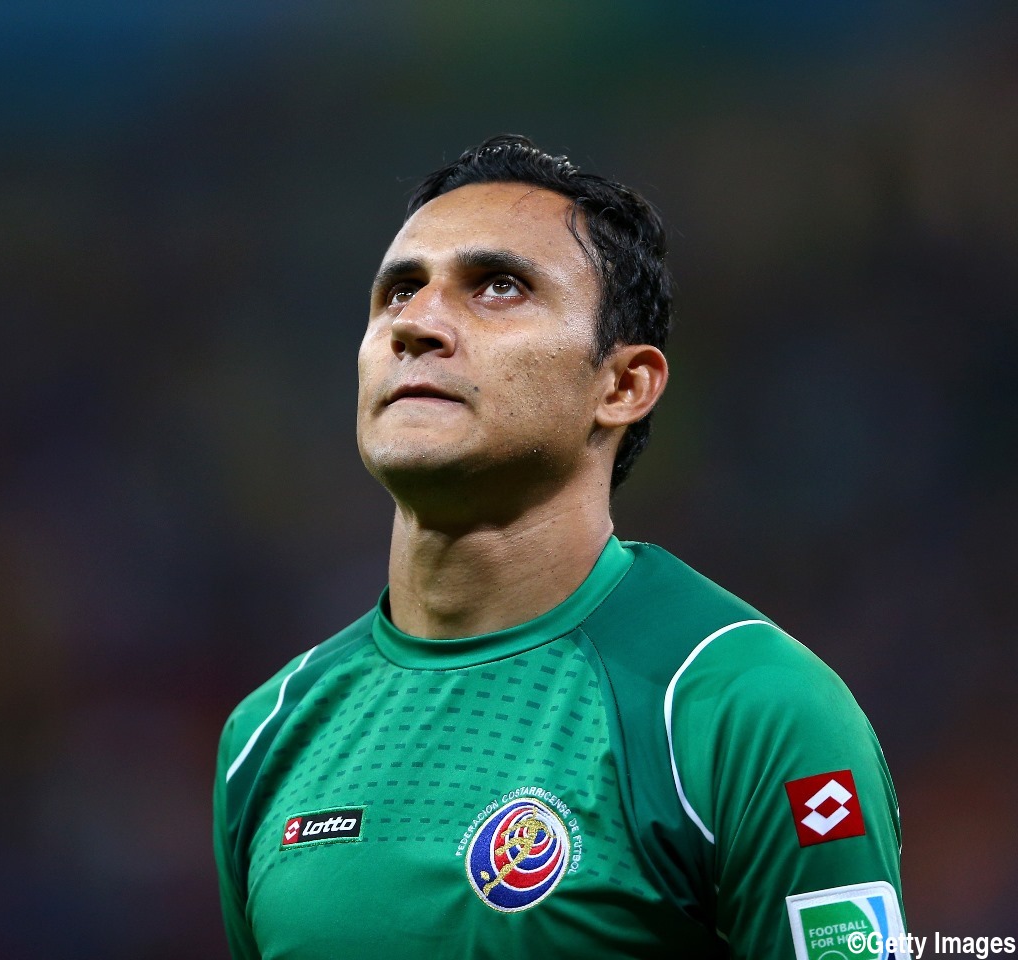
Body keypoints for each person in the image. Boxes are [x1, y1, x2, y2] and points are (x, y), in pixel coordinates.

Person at [213, 135, 906, 959]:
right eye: (399, 290)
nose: (417, 324)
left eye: (498, 286)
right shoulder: (269, 732)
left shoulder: (746, 709)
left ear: (623, 385)